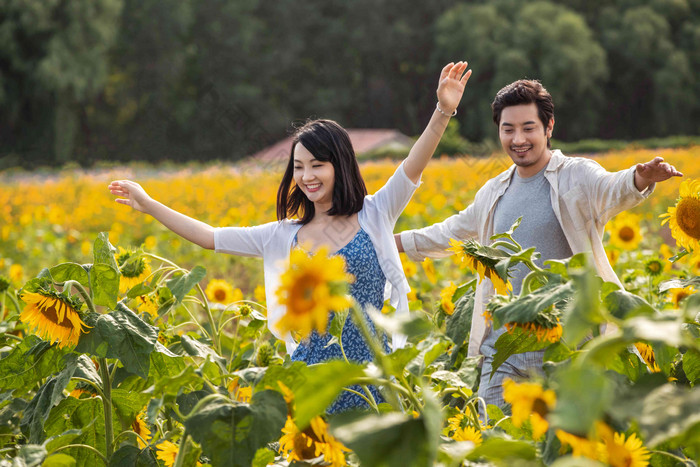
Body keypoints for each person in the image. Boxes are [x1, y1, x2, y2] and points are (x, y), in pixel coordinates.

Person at [108, 61, 473, 412]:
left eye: (317, 165)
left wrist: (442, 111)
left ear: (340, 165)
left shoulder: (375, 213)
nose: (307, 176)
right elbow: (210, 237)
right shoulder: (282, 236)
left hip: (371, 385)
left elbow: (414, 165)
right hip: (309, 385)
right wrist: (150, 204)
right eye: (298, 167)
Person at [395, 79, 682, 411]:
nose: (518, 140)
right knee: (494, 443)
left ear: (549, 127)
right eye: (508, 129)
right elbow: (449, 232)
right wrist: (388, 242)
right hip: (503, 349)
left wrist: (641, 177)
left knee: (563, 450)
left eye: (528, 128)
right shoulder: (493, 191)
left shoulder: (575, 175)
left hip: (567, 346)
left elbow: (612, 187)